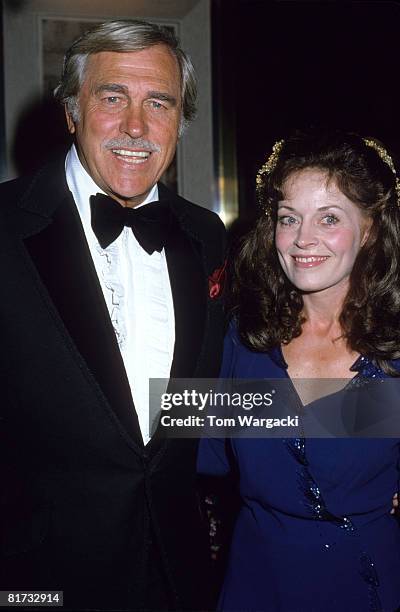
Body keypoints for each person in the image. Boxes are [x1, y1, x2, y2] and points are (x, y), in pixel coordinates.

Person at [0, 20, 226, 611]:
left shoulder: (208, 237)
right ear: (72, 111)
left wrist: (370, 422)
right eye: (111, 98)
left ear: (180, 119)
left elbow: (211, 406)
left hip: (179, 580)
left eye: (159, 102)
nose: (136, 127)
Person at [198, 128, 400, 611]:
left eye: (329, 218)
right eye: (289, 218)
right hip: (253, 586)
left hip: (366, 588)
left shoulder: (393, 355)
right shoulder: (243, 340)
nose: (303, 239)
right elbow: (192, 449)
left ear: (370, 228)